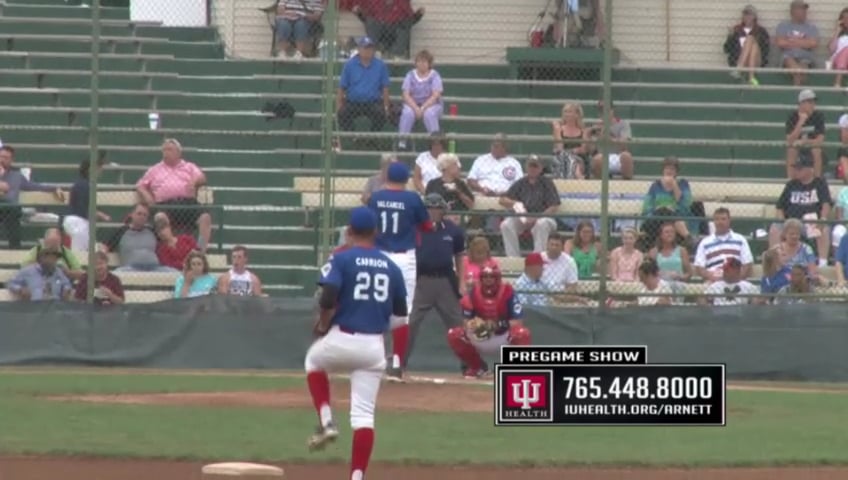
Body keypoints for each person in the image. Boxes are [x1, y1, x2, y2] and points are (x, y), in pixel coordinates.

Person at [304, 206, 407, 480]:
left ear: (349, 231)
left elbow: (327, 298)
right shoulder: (392, 267)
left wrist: (324, 324)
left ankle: (326, 421)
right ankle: (357, 476)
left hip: (342, 337)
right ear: (376, 232)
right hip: (374, 347)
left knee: (313, 361)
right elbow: (400, 315)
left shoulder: (342, 259)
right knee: (363, 417)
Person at [366, 161, 432, 381]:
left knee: (376, 305)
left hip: (380, 255)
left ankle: (373, 360)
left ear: (387, 177)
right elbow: (427, 226)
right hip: (404, 257)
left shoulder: (375, 197)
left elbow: (368, 225)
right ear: (405, 179)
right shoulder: (412, 199)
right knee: (402, 313)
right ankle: (396, 363)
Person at [405, 193, 465, 367]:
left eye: (437, 208)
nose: (433, 212)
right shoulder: (414, 228)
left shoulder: (452, 229)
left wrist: (461, 283)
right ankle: (398, 364)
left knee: (457, 325)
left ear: (443, 210)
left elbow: (460, 255)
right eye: (429, 208)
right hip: (420, 280)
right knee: (410, 323)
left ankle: (470, 365)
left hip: (445, 280)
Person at [446, 264, 531, 379]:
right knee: (454, 334)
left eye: (491, 277)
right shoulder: (473, 293)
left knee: (522, 333)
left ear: (497, 278)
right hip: (480, 336)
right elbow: (466, 321)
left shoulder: (508, 292)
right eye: (485, 277)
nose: (488, 280)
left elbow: (518, 321)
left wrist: (497, 324)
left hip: (503, 336)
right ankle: (477, 368)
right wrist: (473, 325)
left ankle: (513, 370)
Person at [770, 151, 832, 267]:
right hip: (792, 222)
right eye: (796, 168)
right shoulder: (791, 184)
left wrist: (823, 218)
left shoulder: (819, 183)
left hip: (811, 223)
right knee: (775, 227)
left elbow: (826, 204)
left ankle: (823, 264)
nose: (796, 171)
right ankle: (775, 261)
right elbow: (779, 207)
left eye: (800, 168)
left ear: (809, 169)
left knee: (824, 229)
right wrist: (783, 222)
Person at [0, 145, 64, 248]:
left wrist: (54, 188)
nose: (2, 160)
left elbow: (34, 186)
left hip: (9, 210)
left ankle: (15, 250)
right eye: (1, 156)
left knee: (14, 211)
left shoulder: (17, 176)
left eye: (6, 158)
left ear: (11, 160)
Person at [498, 155, 560, 257]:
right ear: (526, 167)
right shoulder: (521, 183)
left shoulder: (547, 183)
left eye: (535, 166)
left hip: (544, 218)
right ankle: (513, 260)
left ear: (540, 168)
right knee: (506, 225)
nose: (532, 169)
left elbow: (554, 206)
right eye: (530, 166)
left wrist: (536, 218)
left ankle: (537, 259)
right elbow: (502, 200)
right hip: (523, 217)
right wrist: (516, 204)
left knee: (541, 224)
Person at [336, 36, 391, 143]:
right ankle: (353, 136)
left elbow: (385, 87)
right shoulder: (349, 65)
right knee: (342, 114)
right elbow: (342, 87)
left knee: (381, 114)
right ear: (359, 49)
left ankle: (371, 137)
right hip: (353, 102)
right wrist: (339, 104)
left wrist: (386, 106)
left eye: (370, 48)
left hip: (372, 102)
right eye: (365, 48)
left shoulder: (380, 65)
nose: (367, 51)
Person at [397, 50, 443, 151]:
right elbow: (405, 94)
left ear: (429, 63)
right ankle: (402, 143)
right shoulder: (410, 75)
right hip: (413, 104)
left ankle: (435, 143)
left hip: (432, 104)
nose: (421, 64)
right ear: (416, 63)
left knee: (429, 114)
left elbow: (436, 95)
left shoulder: (435, 75)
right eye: (419, 61)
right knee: (407, 113)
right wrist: (416, 108)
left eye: (424, 61)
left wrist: (422, 108)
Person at [63, 158, 111, 252]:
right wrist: (100, 214)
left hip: (80, 223)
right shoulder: (83, 185)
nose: (101, 171)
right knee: (80, 254)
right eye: (98, 168)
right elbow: (82, 210)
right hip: (78, 223)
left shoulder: (86, 184)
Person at [775, 0, 820, 86]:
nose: (805, 12)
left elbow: (813, 43)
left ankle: (796, 87)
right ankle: (799, 86)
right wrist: (803, 42)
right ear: (793, 11)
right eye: (801, 9)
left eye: (805, 10)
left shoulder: (811, 27)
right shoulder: (783, 26)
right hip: (788, 57)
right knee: (789, 60)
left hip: (806, 57)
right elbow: (780, 42)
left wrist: (792, 41)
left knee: (804, 64)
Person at [723, 4, 770, 86]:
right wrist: (730, 36)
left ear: (754, 17)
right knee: (752, 43)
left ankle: (738, 69)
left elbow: (766, 50)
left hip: (756, 61)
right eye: (745, 14)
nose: (747, 17)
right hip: (739, 60)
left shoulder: (761, 31)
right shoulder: (736, 30)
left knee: (750, 39)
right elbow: (726, 49)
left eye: (750, 14)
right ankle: (751, 78)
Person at [7, 246, 73, 302]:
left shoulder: (58, 272)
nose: (53, 260)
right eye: (51, 257)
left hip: (54, 307)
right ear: (42, 258)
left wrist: (66, 289)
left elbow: (67, 284)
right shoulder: (28, 271)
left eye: (55, 258)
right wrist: (20, 289)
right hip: (35, 307)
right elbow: (11, 283)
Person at [785, 89, 825, 178]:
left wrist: (805, 142)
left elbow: (820, 140)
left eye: (814, 102)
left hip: (811, 145)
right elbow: (789, 140)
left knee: (816, 150)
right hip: (797, 146)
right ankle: (791, 180)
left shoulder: (818, 116)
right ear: (801, 103)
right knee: (791, 150)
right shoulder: (793, 116)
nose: (813, 105)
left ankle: (817, 180)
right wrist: (801, 121)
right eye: (810, 102)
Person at [830, 8, 848, 88]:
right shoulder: (839, 33)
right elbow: (831, 49)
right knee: (846, 50)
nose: (846, 20)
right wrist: (837, 30)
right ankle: (837, 82)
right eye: (844, 18)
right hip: (837, 62)